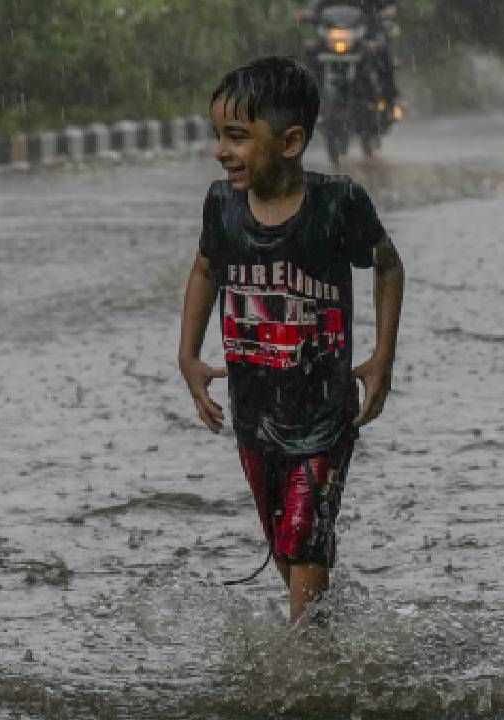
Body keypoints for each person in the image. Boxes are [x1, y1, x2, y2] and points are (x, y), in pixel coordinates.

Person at [178, 56, 405, 625]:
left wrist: (382, 357)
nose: (221, 151)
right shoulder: (223, 206)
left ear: (291, 141)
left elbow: (387, 266)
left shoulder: (336, 205)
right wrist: (188, 355)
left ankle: (305, 665)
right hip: (254, 412)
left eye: (237, 137)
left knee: (302, 536)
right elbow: (206, 269)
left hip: (324, 415)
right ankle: (323, 629)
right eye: (217, 136)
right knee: (285, 540)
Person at [306, 0, 400, 116]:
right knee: (311, 52)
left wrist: (386, 11)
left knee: (381, 54)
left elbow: (388, 7)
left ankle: (388, 100)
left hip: (367, 32)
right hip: (336, 35)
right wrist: (309, 13)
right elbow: (319, 6)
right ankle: (307, 98)